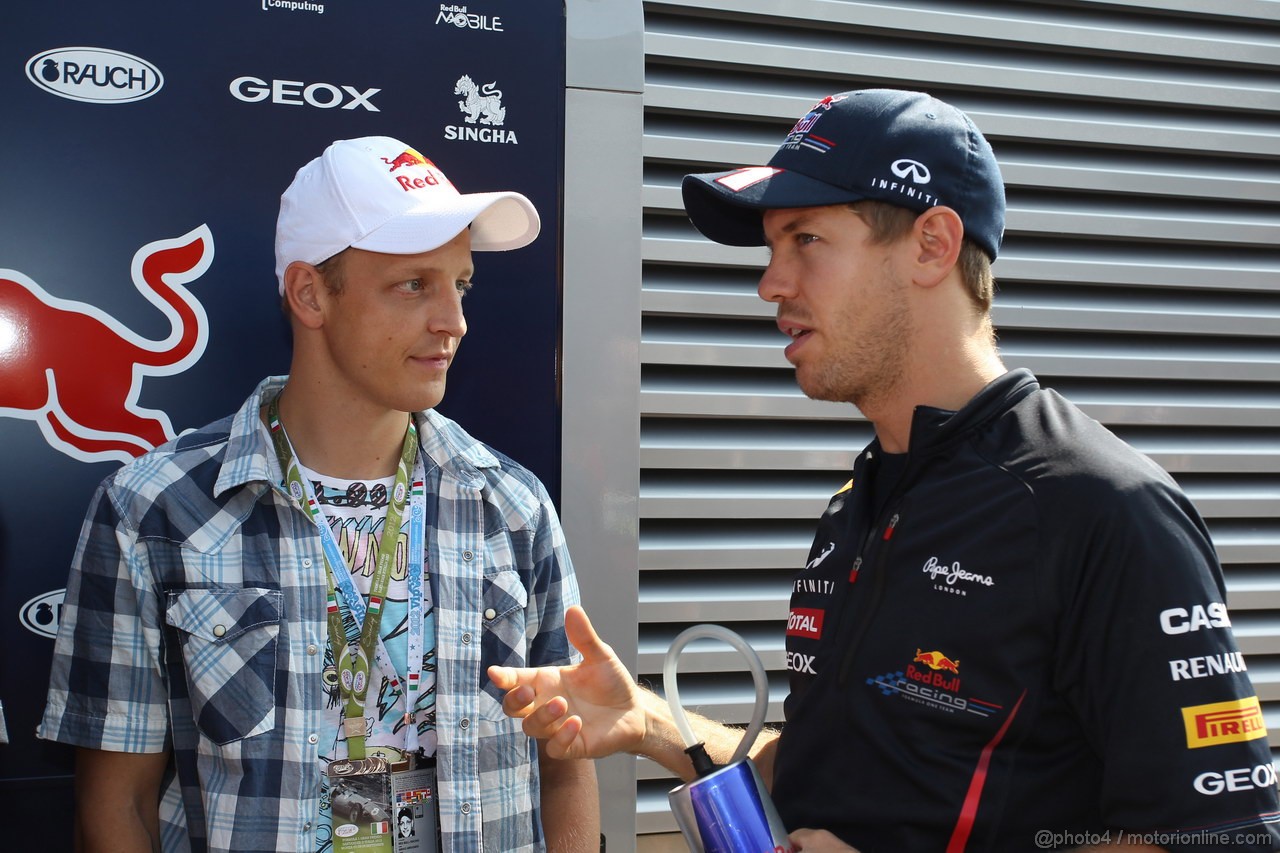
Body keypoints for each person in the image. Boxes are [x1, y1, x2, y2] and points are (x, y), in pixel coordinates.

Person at [489, 90, 1280, 852]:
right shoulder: (864, 495)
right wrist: (647, 721)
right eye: (771, 249)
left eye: (805, 240)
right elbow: (844, 771)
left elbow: (1219, 833)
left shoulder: (1104, 509)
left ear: (932, 244)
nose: (771, 283)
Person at [40, 136, 598, 852]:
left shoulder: (511, 505)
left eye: (460, 284)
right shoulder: (155, 509)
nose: (453, 321)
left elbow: (565, 760)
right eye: (413, 284)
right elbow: (119, 804)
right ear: (309, 293)